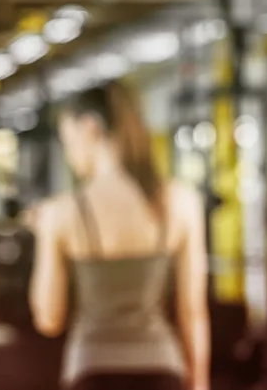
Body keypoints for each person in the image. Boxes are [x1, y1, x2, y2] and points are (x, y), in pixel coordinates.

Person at [28, 81, 210, 390]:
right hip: (162, 370)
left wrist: (44, 234)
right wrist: (199, 383)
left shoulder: (61, 213)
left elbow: (49, 319)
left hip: (92, 371)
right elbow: (192, 312)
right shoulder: (180, 202)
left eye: (68, 142)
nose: (71, 156)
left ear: (89, 127)